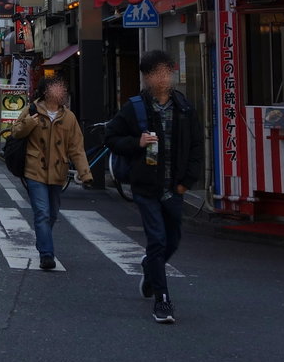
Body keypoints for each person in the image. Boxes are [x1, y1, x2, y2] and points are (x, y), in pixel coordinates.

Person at [104, 49, 203, 325]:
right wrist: (136, 142)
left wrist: (186, 182)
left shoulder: (184, 107)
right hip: (146, 187)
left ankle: (150, 268)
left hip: (175, 187)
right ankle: (162, 300)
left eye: (166, 73)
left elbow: (196, 146)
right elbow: (111, 137)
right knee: (157, 240)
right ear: (146, 77)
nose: (162, 78)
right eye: (156, 73)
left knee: (172, 240)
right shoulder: (135, 108)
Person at [11, 77, 92, 270]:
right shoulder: (31, 110)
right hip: (34, 169)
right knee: (42, 212)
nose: (61, 91)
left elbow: (76, 148)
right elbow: (15, 132)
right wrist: (29, 123)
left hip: (58, 171)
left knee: (52, 213)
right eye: (57, 88)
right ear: (46, 91)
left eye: (62, 88)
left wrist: (85, 173)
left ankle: (42, 239)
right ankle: (46, 254)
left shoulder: (69, 117)